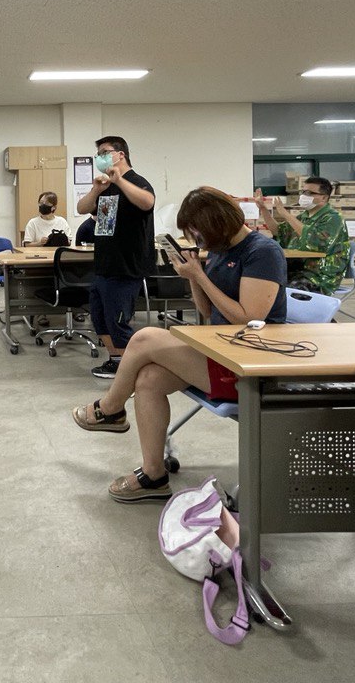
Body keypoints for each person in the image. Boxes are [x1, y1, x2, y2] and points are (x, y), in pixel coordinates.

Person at [71, 187, 287, 502]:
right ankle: (153, 475)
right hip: (220, 350)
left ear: (218, 223)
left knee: (145, 337)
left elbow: (248, 318)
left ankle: (110, 410)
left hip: (249, 365)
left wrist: (200, 277)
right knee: (148, 380)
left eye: (198, 231)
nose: (197, 238)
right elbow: (208, 312)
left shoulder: (262, 252)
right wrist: (191, 276)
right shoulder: (219, 248)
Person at [75, 136, 155, 379]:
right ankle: (116, 361)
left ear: (120, 155)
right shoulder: (105, 186)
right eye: (97, 154)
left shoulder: (137, 181)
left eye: (104, 152)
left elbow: (147, 202)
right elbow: (82, 208)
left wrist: (120, 180)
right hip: (104, 264)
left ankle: (132, 370)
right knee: (100, 318)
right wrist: (96, 189)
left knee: (118, 321)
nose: (99, 157)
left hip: (126, 265)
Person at [254, 177, 350, 294]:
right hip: (297, 268)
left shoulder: (333, 218)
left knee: (284, 290)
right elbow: (279, 232)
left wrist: (286, 214)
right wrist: (263, 209)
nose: (304, 195)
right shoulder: (304, 217)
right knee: (260, 279)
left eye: (310, 193)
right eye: (303, 192)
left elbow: (315, 243)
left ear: (324, 197)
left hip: (320, 273)